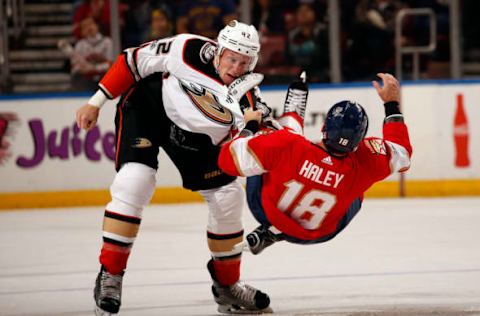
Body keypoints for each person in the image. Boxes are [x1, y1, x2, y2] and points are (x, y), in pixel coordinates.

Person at [76, 21, 277, 315]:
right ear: (218, 51)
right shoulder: (186, 48)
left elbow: (253, 139)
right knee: (135, 181)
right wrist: (96, 102)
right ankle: (110, 275)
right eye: (232, 58)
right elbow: (132, 62)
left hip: (197, 137)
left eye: (244, 62)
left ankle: (227, 287)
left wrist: (258, 129)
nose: (236, 67)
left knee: (227, 197)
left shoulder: (250, 98)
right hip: (149, 109)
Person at [218, 73, 412, 255]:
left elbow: (226, 161)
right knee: (357, 194)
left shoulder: (289, 144)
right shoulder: (366, 162)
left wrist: (250, 126)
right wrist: (392, 104)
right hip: (321, 232)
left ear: (323, 127)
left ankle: (286, 112)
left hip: (265, 211)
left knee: (267, 144)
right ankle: (276, 233)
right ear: (358, 142)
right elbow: (403, 155)